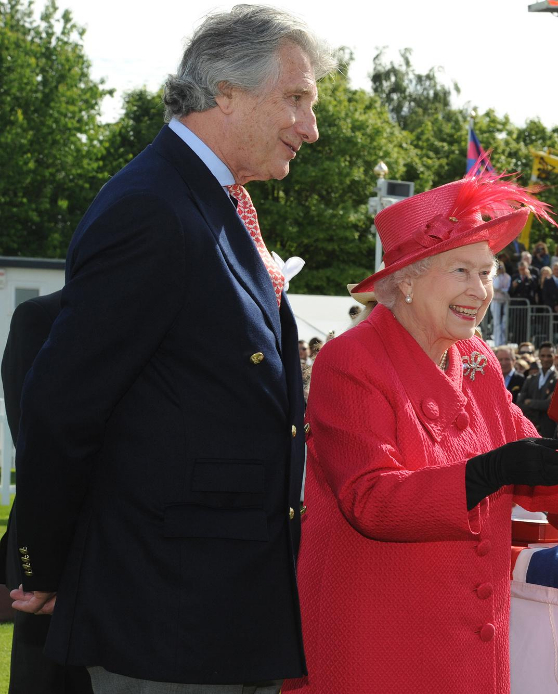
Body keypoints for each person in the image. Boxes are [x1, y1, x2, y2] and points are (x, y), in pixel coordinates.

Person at [11, 7, 336, 691]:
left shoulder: (205, 202)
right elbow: (65, 401)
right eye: (296, 98)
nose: (311, 126)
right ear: (225, 91)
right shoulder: (153, 209)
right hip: (165, 620)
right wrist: (40, 558)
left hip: (220, 611)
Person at [286, 174, 558, 694]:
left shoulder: (476, 357)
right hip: (378, 649)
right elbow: (371, 500)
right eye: (461, 271)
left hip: (464, 656)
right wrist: (491, 470)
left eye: (486, 274)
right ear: (407, 280)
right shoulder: (349, 360)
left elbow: (525, 455)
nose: (479, 292)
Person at [1, 291, 93, 694]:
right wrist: (44, 562)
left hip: (119, 547)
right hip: (53, 541)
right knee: (46, 676)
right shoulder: (40, 316)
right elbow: (34, 441)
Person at [519, 342, 558, 438]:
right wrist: (542, 404)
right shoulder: (531, 378)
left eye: (549, 356)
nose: (545, 359)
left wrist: (530, 402)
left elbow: (551, 405)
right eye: (542, 356)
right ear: (538, 357)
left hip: (549, 431)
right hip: (530, 428)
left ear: (554, 357)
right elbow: (520, 403)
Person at [490, 254, 510, 345]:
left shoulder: (507, 277)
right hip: (495, 301)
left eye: (501, 267)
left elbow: (505, 288)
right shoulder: (493, 277)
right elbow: (494, 287)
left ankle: (502, 341)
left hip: (504, 301)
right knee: (496, 322)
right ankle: (497, 342)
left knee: (504, 322)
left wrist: (499, 290)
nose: (499, 269)